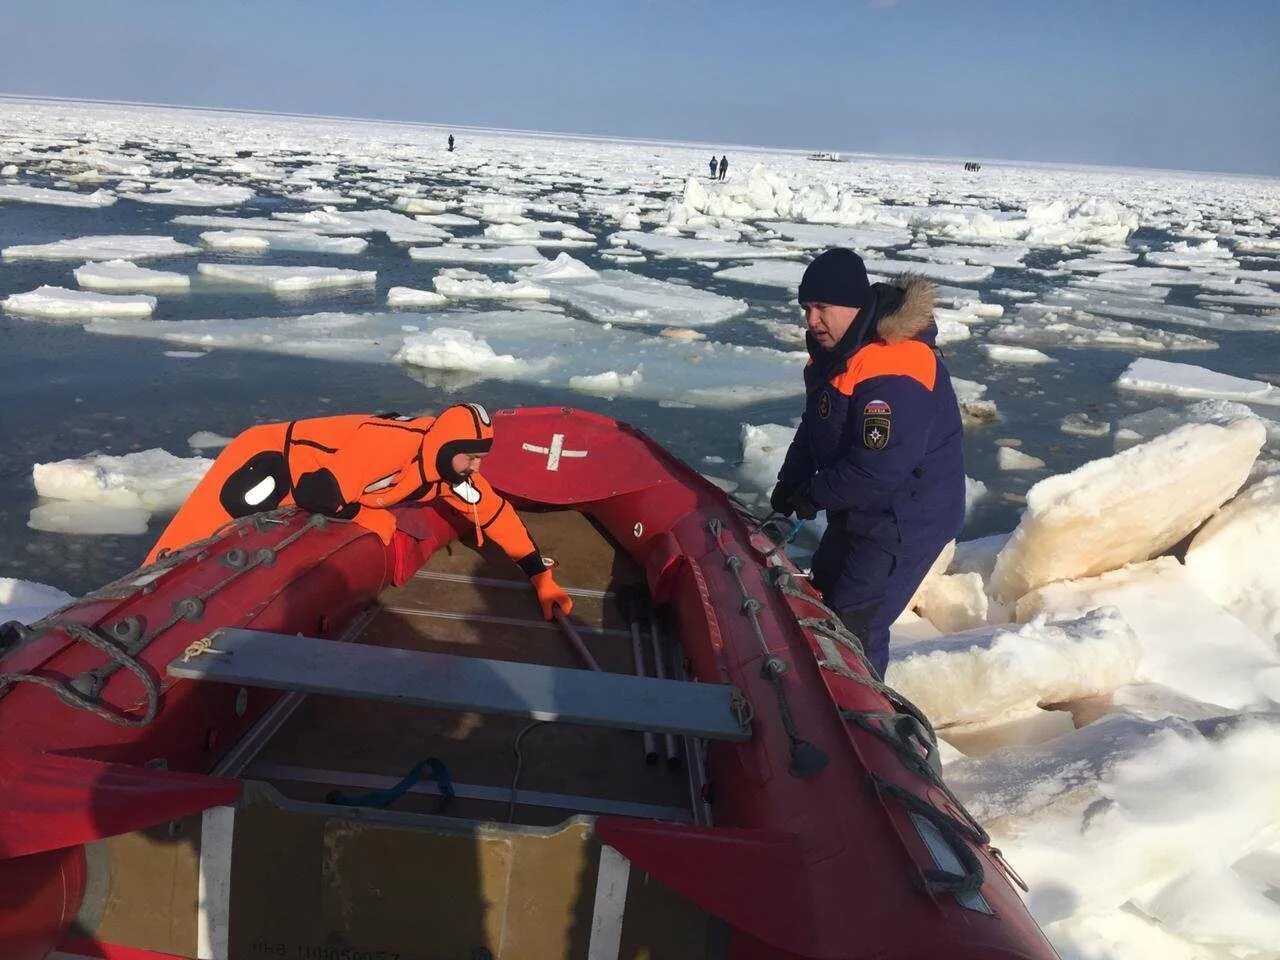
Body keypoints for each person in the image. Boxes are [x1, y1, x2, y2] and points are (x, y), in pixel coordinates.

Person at [145, 404, 573, 620]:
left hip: (308, 475)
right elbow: (317, 492)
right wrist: (366, 514)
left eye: (479, 458)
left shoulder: (448, 471)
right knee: (184, 547)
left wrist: (541, 576)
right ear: (447, 448)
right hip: (272, 458)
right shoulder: (387, 446)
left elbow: (496, 514)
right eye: (471, 458)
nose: (477, 467)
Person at [769, 249, 964, 678]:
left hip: (906, 515)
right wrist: (789, 486)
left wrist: (811, 496)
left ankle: (861, 719)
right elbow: (815, 426)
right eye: (806, 308)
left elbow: (879, 468)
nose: (811, 321)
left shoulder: (896, 366)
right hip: (860, 502)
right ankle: (818, 688)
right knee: (823, 596)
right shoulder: (836, 353)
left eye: (822, 307)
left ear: (854, 305)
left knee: (854, 623)